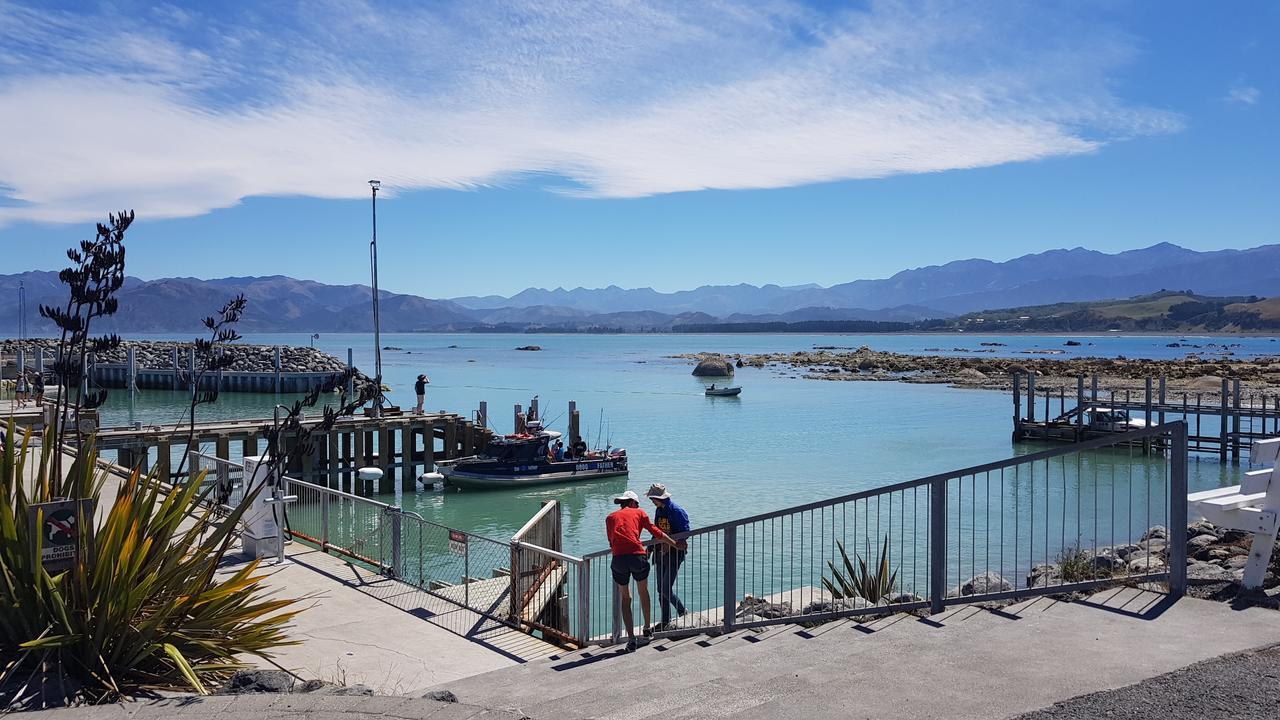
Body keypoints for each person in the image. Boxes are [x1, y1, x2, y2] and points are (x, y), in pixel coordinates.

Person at [606, 490, 678, 651]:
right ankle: (646, 630)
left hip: (618, 559)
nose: (638, 506)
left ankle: (631, 639)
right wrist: (675, 544)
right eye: (637, 503)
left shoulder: (610, 518)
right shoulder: (639, 513)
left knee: (626, 598)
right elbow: (656, 532)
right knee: (643, 592)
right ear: (632, 503)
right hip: (637, 556)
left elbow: (611, 542)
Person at [646, 483, 690, 629]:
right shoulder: (659, 510)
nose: (652, 501)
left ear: (659, 498)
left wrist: (670, 543)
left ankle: (683, 611)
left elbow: (685, 533)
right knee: (660, 590)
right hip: (659, 553)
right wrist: (650, 548)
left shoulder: (677, 511)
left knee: (665, 589)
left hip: (674, 555)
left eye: (653, 498)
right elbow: (656, 531)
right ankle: (665, 621)